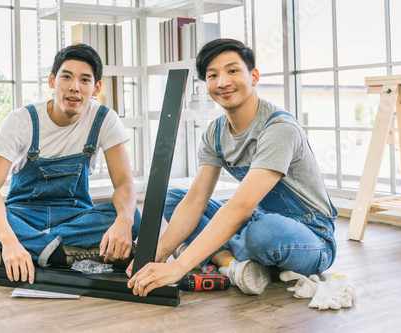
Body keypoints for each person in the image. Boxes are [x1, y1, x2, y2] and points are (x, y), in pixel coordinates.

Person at [127, 38, 337, 297]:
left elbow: (240, 207)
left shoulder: (279, 128)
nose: (222, 82)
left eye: (233, 71)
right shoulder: (215, 133)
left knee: (264, 233)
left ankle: (214, 256)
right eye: (212, 75)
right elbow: (195, 201)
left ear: (254, 76)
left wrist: (180, 266)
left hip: (310, 236)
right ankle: (232, 265)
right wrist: (157, 254)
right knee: (175, 198)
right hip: (254, 218)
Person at [0, 43, 140, 284]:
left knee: (133, 218)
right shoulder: (21, 121)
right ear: (52, 81)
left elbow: (124, 185)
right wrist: (9, 241)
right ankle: (61, 255)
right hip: (23, 215)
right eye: (66, 77)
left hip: (75, 217)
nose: (74, 87)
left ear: (96, 87)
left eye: (85, 80)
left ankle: (34, 248)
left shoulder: (104, 119)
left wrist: (123, 222)